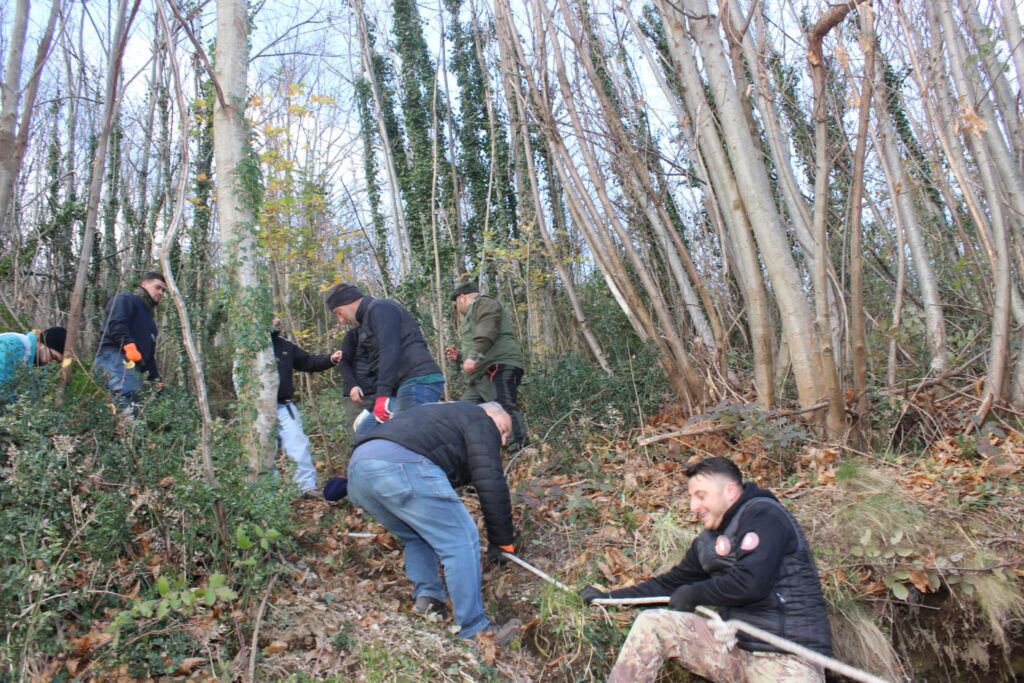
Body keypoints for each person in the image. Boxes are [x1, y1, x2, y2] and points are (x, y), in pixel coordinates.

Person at [581, 457, 832, 682]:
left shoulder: (766, 516)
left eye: (701, 496)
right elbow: (669, 585)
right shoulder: (708, 543)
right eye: (691, 497)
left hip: (790, 659)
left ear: (730, 491)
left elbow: (751, 583)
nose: (693, 506)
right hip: (734, 653)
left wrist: (696, 593)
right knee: (652, 623)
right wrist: (608, 599)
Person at [343, 400, 521, 645]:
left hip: (358, 472)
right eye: (503, 430)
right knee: (460, 539)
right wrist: (502, 541)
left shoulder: (437, 417)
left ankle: (429, 600)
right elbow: (490, 480)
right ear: (490, 415)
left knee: (416, 535)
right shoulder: (478, 417)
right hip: (399, 464)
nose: (502, 441)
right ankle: (475, 629)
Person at [325, 283, 444, 436]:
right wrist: (372, 406)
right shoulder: (366, 321)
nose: (341, 320)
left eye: (338, 313)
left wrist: (381, 396)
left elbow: (389, 350)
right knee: (365, 431)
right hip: (397, 387)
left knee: (407, 435)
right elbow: (379, 365)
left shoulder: (380, 308)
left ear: (348, 301)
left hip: (418, 380)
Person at [445, 280, 528, 448]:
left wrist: (473, 357)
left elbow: (488, 329)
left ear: (462, 298)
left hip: (499, 365)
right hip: (481, 374)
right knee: (464, 412)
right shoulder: (473, 312)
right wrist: (460, 356)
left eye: (456, 305)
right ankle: (471, 450)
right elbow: (479, 342)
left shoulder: (483, 303)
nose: (457, 309)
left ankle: (520, 448)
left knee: (503, 405)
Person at [272, 317, 342, 497]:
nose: (278, 321)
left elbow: (307, 361)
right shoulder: (250, 348)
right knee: (263, 450)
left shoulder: (285, 346)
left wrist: (331, 359)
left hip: (284, 406)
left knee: (298, 445)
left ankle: (306, 487)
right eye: (273, 318)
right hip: (259, 410)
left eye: (278, 318)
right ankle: (268, 495)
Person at [95, 272, 166, 405]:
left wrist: (155, 379)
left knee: (136, 403)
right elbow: (116, 324)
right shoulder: (126, 299)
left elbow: (149, 356)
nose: (161, 293)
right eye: (157, 287)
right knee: (126, 397)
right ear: (144, 284)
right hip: (113, 356)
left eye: (163, 290)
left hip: (133, 366)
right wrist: (130, 347)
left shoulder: (150, 322)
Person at [337, 324, 376, 441]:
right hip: (360, 397)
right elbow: (344, 362)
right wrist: (352, 386)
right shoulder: (353, 335)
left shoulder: (386, 334)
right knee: (358, 439)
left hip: (383, 395)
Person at [0, 326, 66, 394]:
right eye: (53, 356)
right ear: (42, 344)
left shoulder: (28, 356)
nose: (51, 362)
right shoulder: (14, 345)